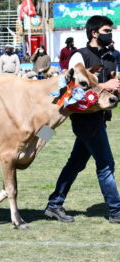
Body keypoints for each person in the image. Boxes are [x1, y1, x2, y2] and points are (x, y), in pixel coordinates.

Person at [45, 15, 120, 223]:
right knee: (106, 164)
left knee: (76, 163)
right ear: (94, 33)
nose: (110, 34)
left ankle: (54, 204)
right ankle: (116, 211)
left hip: (101, 117)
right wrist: (105, 87)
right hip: (85, 119)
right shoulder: (79, 56)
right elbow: (73, 89)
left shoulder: (113, 56)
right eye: (106, 30)